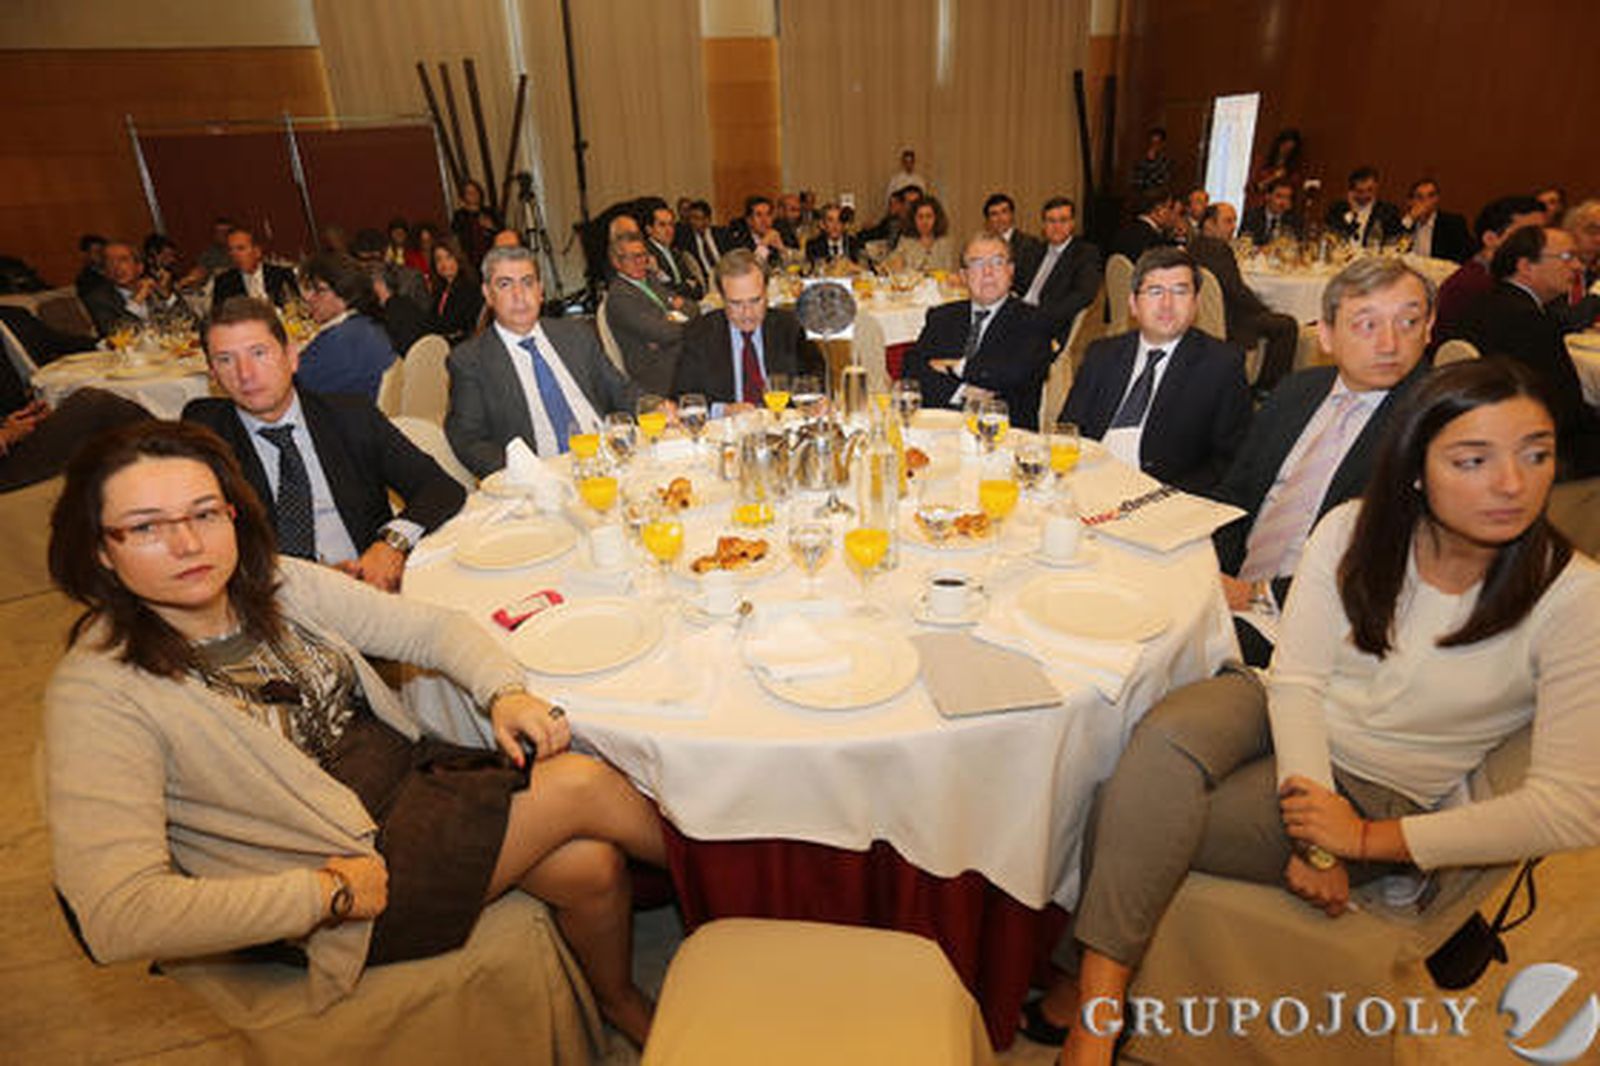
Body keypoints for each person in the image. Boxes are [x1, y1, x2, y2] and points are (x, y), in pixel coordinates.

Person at [1036, 358, 1600, 1066]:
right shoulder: (1353, 530)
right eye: (1473, 459)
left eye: (1535, 454)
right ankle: (1096, 1009)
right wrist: (1316, 838)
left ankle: (1087, 1013)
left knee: (1128, 806)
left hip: (1378, 781)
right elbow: (1297, 682)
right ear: (1418, 467)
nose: (1513, 483)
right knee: (1165, 736)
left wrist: (1362, 839)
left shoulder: (1575, 598)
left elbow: (1576, 808)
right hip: (1279, 707)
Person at [44, 419, 669, 1045]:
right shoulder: (100, 692)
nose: (187, 544)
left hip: (412, 790)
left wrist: (502, 691)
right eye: (147, 527)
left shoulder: (270, 583)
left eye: (205, 513)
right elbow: (116, 914)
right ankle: (732, 882)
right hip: (334, 870)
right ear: (101, 549)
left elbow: (432, 631)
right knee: (583, 784)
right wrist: (323, 895)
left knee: (589, 867)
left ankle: (616, 999)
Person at [1212, 257, 1433, 665]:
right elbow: (1237, 493)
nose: (1390, 344)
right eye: (1367, 324)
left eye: (1408, 323)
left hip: (1325, 622)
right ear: (1326, 335)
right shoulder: (1298, 390)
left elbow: (1400, 567)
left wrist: (1254, 595)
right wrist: (1208, 569)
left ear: (1429, 328)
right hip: (1234, 585)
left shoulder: (1435, 430)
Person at [184, 297, 462, 592]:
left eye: (258, 353)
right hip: (273, 600)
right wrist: (302, 580)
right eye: (226, 359)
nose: (245, 374)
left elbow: (439, 487)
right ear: (212, 375)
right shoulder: (204, 436)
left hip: (366, 587)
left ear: (291, 357)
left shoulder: (349, 416)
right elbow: (197, 541)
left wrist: (391, 543)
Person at [1061, 246, 1250, 493]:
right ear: (1133, 304)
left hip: (1162, 497)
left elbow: (1230, 460)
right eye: (1155, 291)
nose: (1167, 304)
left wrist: (1165, 496)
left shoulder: (1222, 365)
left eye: (1180, 292)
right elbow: (1068, 430)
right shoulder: (1102, 354)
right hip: (1088, 485)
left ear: (1195, 304)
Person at [446, 246, 637, 475]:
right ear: (487, 294)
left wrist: (656, 407)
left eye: (527, 282)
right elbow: (469, 439)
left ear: (540, 290)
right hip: (543, 476)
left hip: (610, 457)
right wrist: (523, 472)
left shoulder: (577, 334)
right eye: (505, 284)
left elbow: (620, 389)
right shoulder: (471, 360)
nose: (519, 295)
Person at [1459, 225, 1600, 478]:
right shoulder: (1530, 321)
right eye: (1567, 258)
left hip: (1485, 429)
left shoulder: (1484, 303)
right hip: (1533, 445)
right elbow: (1565, 411)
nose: (1578, 267)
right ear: (1526, 266)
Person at [901, 234, 1055, 431]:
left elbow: (1014, 374)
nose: (988, 272)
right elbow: (912, 370)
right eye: (977, 264)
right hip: (941, 432)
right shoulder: (942, 316)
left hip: (1005, 438)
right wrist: (963, 391)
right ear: (964, 276)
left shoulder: (1033, 320)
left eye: (997, 262)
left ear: (1011, 271)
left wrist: (956, 367)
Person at [674, 249, 819, 404]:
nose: (748, 313)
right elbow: (683, 398)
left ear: (766, 292)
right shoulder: (698, 335)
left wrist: (817, 402)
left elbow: (816, 380)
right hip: (728, 426)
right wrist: (723, 410)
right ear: (722, 299)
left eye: (755, 300)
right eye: (736, 303)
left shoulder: (790, 328)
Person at [1187, 203, 1299, 393]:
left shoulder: (1195, 244)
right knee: (1286, 325)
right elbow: (1236, 291)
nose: (1233, 227)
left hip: (1208, 314)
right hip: (1232, 319)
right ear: (1209, 225)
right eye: (1227, 221)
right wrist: (1263, 308)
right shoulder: (1218, 249)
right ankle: (1268, 387)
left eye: (1234, 221)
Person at [1432, 195, 1545, 342]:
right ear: (1491, 239)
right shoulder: (1473, 285)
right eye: (1528, 236)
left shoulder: (1493, 278)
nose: (1541, 245)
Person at [604, 232, 699, 395]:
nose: (640, 262)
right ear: (616, 262)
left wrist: (669, 318)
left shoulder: (650, 281)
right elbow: (663, 333)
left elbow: (693, 307)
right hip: (656, 372)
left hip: (674, 353)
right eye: (633, 257)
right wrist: (676, 313)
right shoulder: (620, 296)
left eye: (643, 256)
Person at [292, 254, 397, 401]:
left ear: (345, 293)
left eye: (319, 291)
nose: (309, 298)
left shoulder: (340, 340)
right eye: (309, 289)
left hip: (354, 418)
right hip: (373, 413)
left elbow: (290, 387)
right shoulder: (366, 325)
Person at [1013, 196, 1103, 346]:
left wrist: (1040, 316)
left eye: (1063, 220)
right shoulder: (1035, 250)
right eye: (1051, 221)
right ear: (1044, 225)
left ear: (1072, 224)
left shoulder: (1085, 253)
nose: (1057, 226)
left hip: (1049, 325)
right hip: (1021, 313)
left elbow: (1084, 295)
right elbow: (1018, 282)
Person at [81, 242, 190, 338]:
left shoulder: (155, 289)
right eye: (110, 262)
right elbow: (116, 334)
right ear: (105, 271)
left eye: (123, 260)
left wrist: (168, 296)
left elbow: (189, 323)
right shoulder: (99, 299)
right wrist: (137, 301)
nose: (116, 267)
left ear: (140, 267)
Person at [211, 228, 298, 311]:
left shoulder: (281, 275)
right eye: (231, 250)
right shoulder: (224, 283)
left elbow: (296, 306)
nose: (234, 255)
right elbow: (220, 318)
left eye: (240, 249)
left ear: (257, 251)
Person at [1324, 166, 1403, 245]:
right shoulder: (1337, 209)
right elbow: (1333, 236)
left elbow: (1395, 238)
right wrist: (1351, 212)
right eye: (1360, 191)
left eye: (1370, 190)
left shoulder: (1387, 211)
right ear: (1352, 191)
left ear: (1376, 187)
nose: (1365, 195)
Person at [1399, 178, 1472, 263]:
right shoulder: (1407, 224)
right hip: (1409, 273)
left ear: (1437, 199)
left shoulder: (1453, 224)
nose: (1426, 202)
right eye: (1420, 197)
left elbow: (1463, 257)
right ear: (1411, 201)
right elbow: (1395, 250)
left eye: (1431, 196)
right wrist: (1410, 218)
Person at [429, 237, 485, 344]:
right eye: (438, 259)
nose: (444, 264)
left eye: (448, 257)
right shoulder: (440, 290)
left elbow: (460, 326)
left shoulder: (469, 288)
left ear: (458, 258)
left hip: (461, 345)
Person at [645, 202, 703, 301]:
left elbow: (699, 289)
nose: (669, 230)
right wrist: (688, 286)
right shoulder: (646, 254)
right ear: (649, 229)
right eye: (662, 225)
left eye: (671, 225)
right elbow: (665, 292)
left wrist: (683, 287)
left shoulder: (676, 252)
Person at [890, 197, 957, 274]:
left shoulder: (945, 243)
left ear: (936, 219)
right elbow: (895, 269)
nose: (924, 221)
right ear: (913, 219)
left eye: (929, 216)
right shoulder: (905, 242)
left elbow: (950, 272)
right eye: (920, 217)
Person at [1108, 192, 1178, 263]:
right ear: (1158, 211)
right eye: (1170, 208)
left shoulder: (1123, 230)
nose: (1173, 214)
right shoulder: (1153, 240)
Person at [450, 179, 501, 271]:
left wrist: (491, 227)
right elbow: (456, 237)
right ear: (463, 196)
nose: (473, 195)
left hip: (492, 257)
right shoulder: (459, 216)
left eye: (475, 191)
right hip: (470, 260)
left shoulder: (490, 212)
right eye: (469, 193)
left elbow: (502, 233)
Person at [983, 192, 1043, 266]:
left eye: (1004, 212)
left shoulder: (1030, 244)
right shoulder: (983, 246)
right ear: (988, 220)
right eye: (994, 214)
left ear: (1012, 215)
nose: (1000, 218)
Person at [1248, 128, 1303, 205]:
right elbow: (1253, 187)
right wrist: (1273, 177)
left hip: (1279, 208)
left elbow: (1293, 193)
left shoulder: (1292, 171)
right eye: (1284, 147)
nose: (1285, 153)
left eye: (1289, 150)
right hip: (1259, 204)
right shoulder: (1263, 162)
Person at [677, 199, 726, 284]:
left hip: (726, 276)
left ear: (707, 220)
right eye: (691, 218)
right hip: (705, 281)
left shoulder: (722, 234)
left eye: (696, 218)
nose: (692, 222)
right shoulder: (686, 240)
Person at [1239, 178, 1301, 245]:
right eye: (1279, 196)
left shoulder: (1294, 221)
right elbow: (1243, 242)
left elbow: (1297, 244)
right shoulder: (1251, 217)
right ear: (1267, 196)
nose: (1283, 203)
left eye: (1287, 198)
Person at [1129, 127, 1171, 196]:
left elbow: (1161, 182)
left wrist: (1151, 162)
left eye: (1157, 143)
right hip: (1141, 196)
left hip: (1157, 196)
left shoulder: (1166, 162)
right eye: (1152, 143)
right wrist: (1148, 161)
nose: (1154, 146)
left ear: (1162, 144)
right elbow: (1136, 180)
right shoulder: (1141, 161)